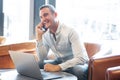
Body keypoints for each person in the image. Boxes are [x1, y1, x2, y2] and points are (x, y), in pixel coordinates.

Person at [36, 4, 89, 80]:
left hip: (77, 63)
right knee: (38, 64)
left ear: (55, 14)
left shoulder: (70, 31)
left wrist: (58, 67)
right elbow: (42, 58)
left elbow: (80, 59)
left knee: (79, 71)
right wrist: (39, 37)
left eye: (46, 15)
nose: (43, 19)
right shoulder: (45, 34)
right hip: (60, 61)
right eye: (41, 17)